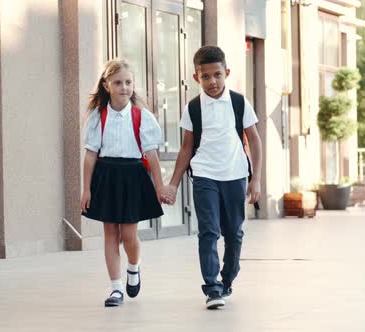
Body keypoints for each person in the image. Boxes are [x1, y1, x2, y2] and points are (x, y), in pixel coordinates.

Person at [162, 46, 262, 310]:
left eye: (217, 75)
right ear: (196, 78)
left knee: (234, 234)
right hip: (205, 174)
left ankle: (227, 278)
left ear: (226, 73)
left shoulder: (239, 102)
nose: (212, 81)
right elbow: (186, 148)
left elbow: (254, 138)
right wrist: (172, 183)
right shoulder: (193, 108)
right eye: (205, 76)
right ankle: (212, 287)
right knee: (208, 232)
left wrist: (257, 179)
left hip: (235, 175)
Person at [80, 59, 166, 307]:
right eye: (118, 83)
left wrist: (160, 188)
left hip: (133, 176)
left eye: (128, 82)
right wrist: (86, 188)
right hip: (106, 176)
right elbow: (90, 155)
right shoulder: (98, 117)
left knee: (129, 235)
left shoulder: (142, 117)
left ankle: (134, 267)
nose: (124, 87)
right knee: (110, 233)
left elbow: (152, 156)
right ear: (107, 85)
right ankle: (115, 288)